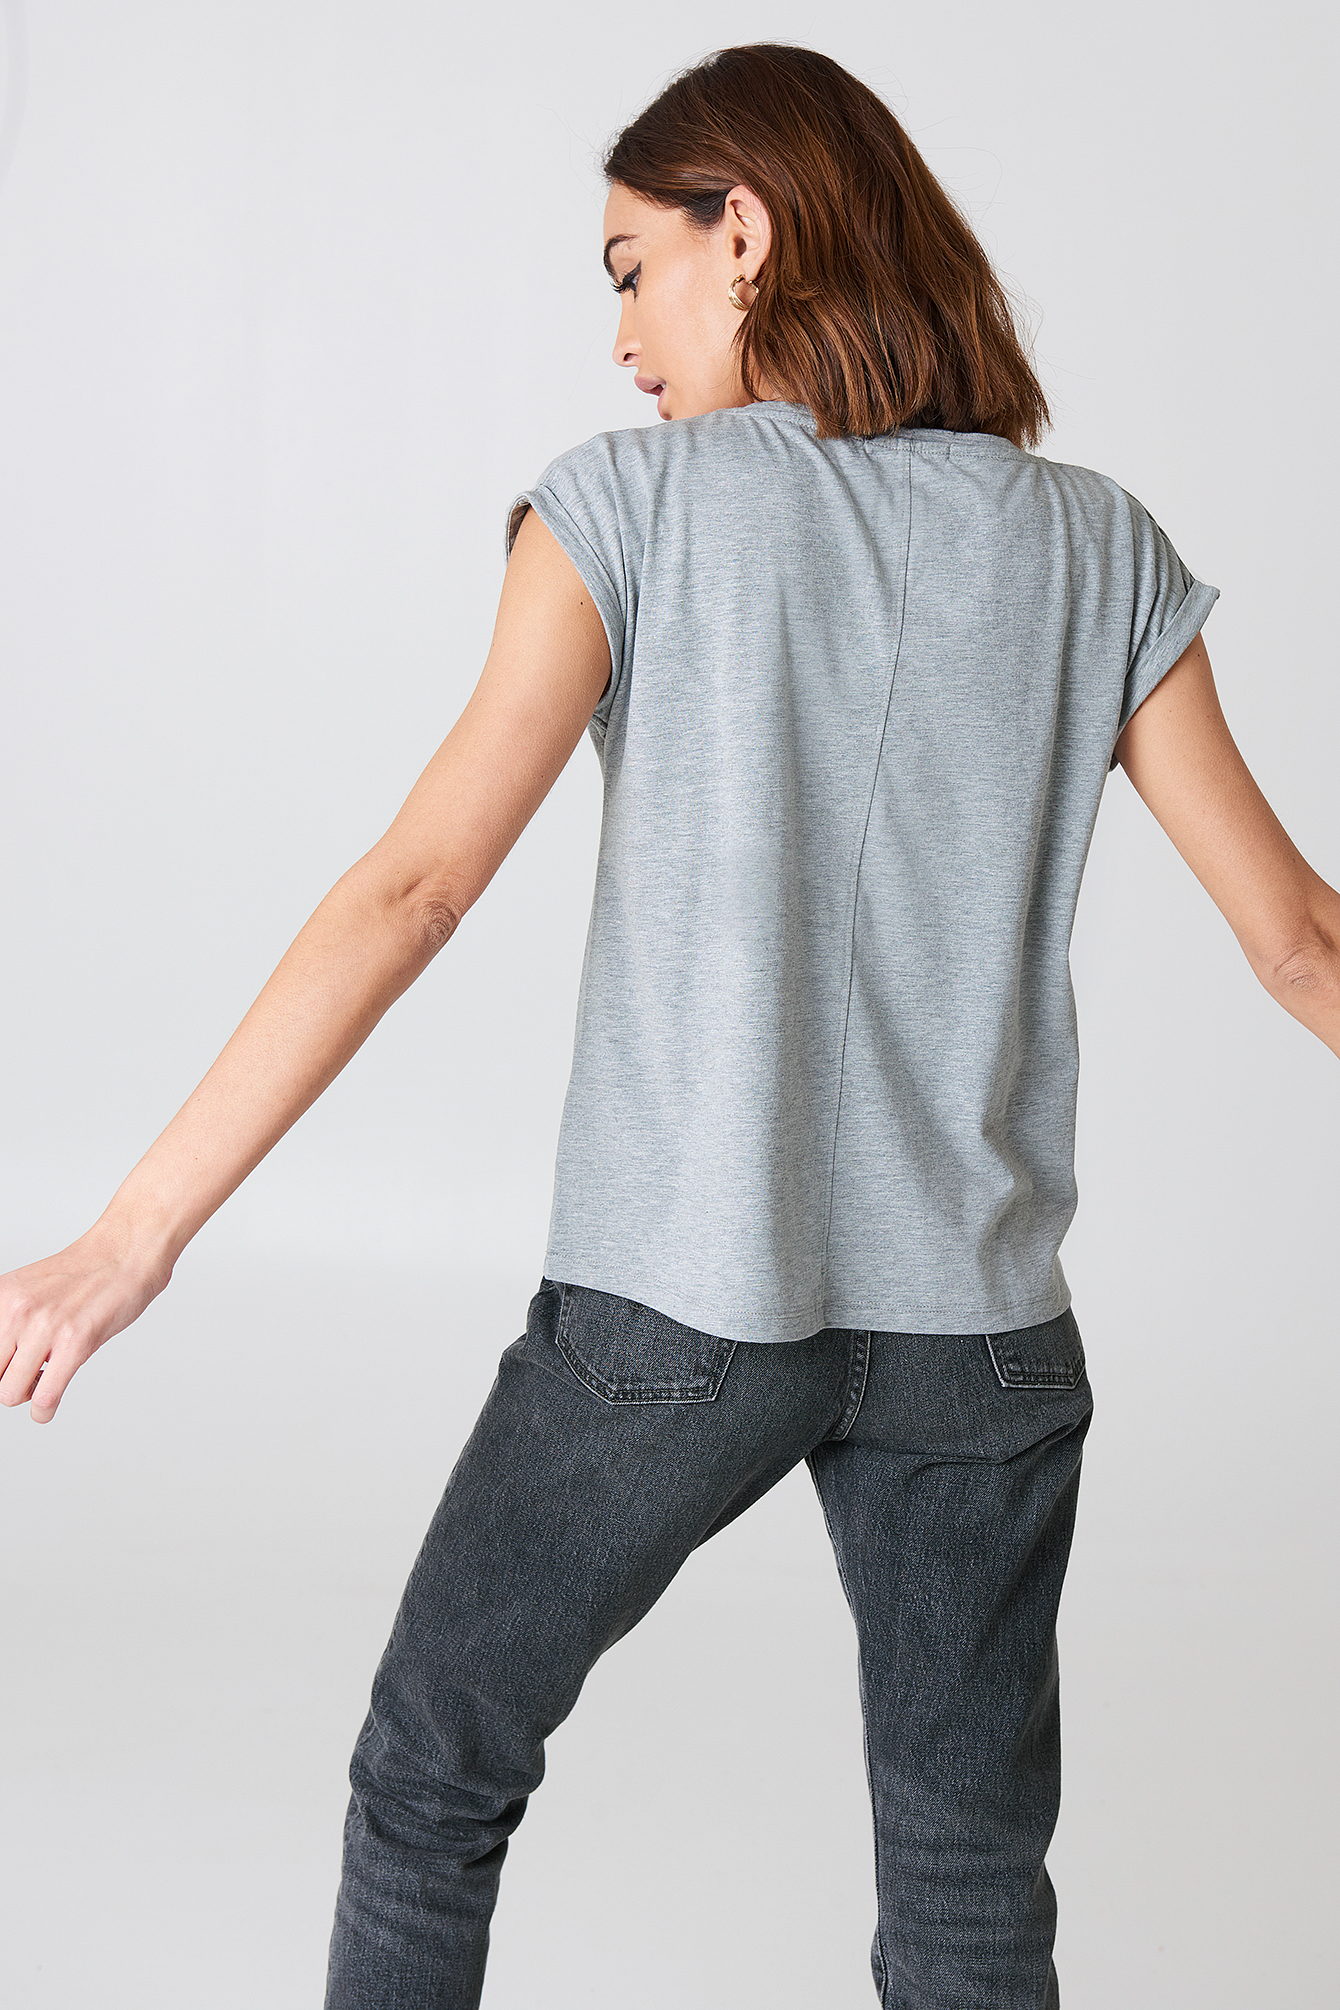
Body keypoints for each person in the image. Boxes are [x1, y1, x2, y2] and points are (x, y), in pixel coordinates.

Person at [2, 39, 1336, 2010]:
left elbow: (415, 886)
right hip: (978, 1337)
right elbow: (1303, 944)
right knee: (970, 1887)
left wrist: (134, 1233)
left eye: (634, 268)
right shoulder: (1095, 544)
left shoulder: (622, 511)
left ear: (751, 233)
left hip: (673, 1320)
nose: (620, 335)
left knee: (433, 1778)